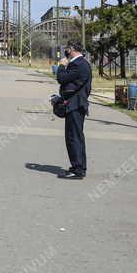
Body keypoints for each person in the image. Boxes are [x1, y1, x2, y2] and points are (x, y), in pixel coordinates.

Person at [55, 40, 91, 179]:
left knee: (73, 137)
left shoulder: (79, 64)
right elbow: (72, 85)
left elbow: (62, 78)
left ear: (72, 49)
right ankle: (78, 166)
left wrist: (62, 66)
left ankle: (78, 170)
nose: (66, 51)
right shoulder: (81, 63)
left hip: (75, 105)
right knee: (76, 137)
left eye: (67, 49)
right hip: (75, 104)